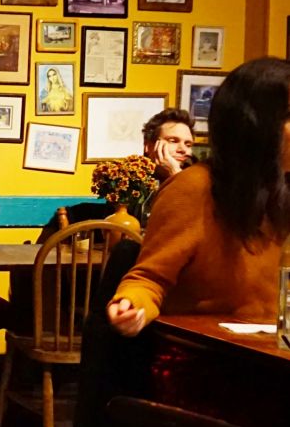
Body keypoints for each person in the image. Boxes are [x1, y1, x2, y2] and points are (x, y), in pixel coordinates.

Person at [108, 57, 290, 336]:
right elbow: (149, 279)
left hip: (273, 351)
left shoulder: (282, 190)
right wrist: (132, 305)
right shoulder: (194, 187)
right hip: (210, 352)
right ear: (256, 126)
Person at [141, 108, 195, 182]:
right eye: (173, 141)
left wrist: (175, 172)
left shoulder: (200, 181)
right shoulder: (131, 180)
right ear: (148, 146)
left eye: (188, 145)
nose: (183, 149)